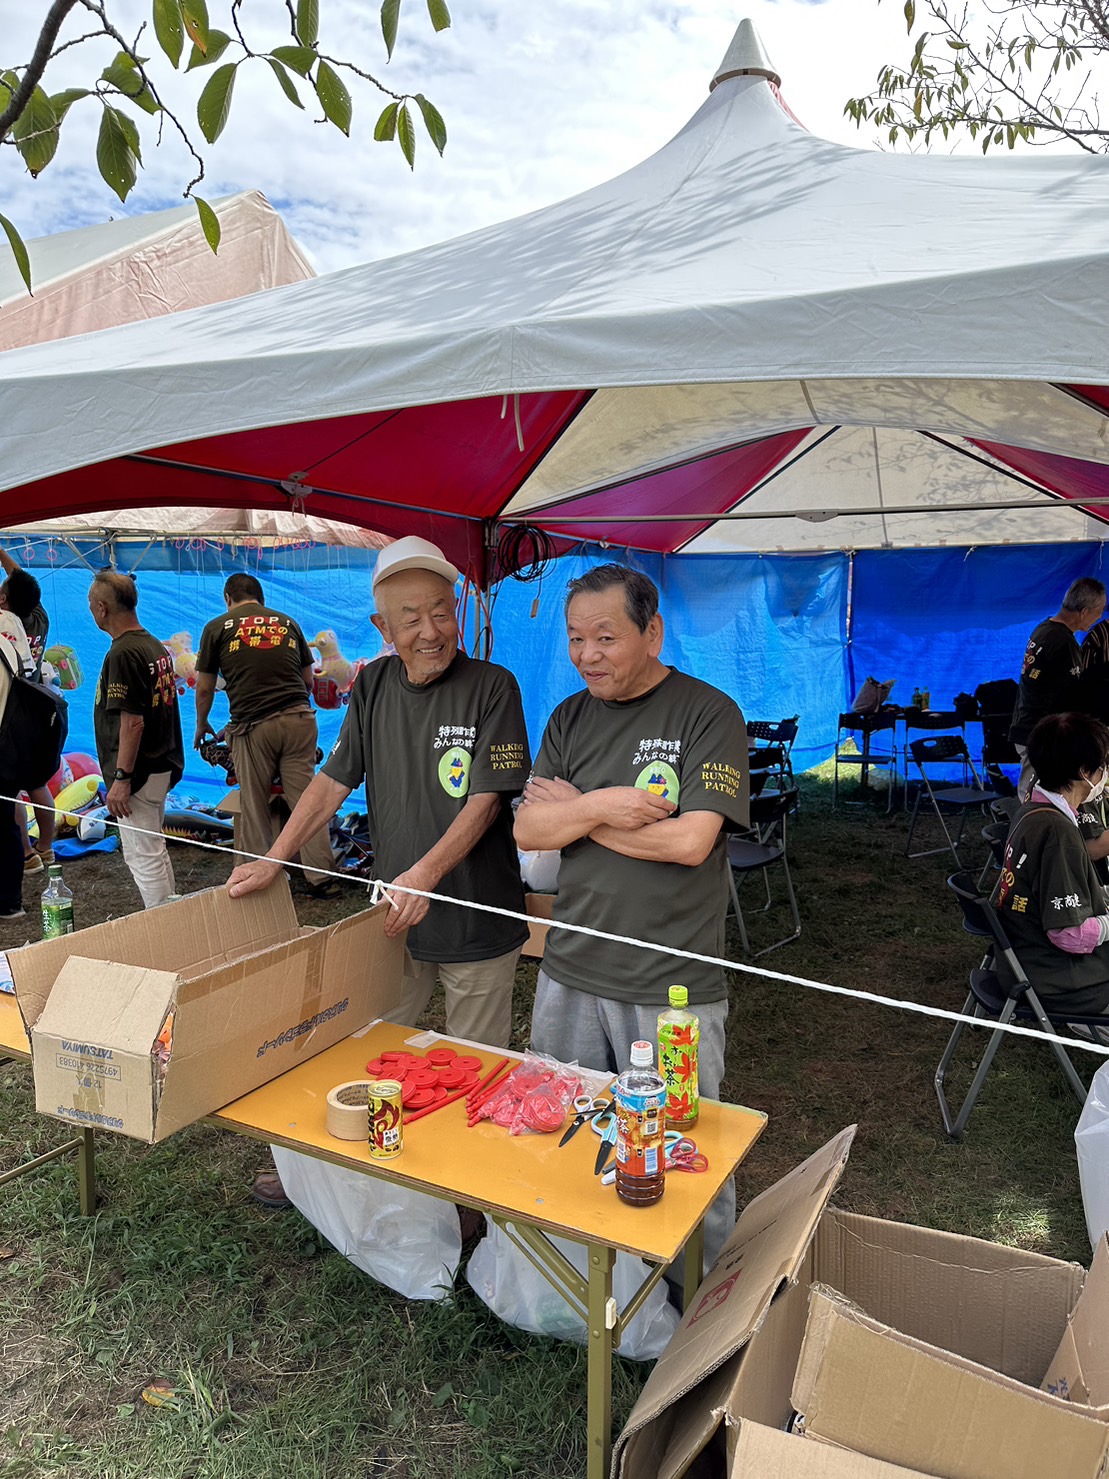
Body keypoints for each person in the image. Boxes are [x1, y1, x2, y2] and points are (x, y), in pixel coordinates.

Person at [227, 535, 531, 1208]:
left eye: (441, 612)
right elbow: (333, 780)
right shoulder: (371, 685)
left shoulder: (492, 687)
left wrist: (422, 872)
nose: (431, 631)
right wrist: (275, 858)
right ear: (382, 628)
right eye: (412, 617)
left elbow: (485, 800)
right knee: (367, 1050)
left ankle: (465, 1203)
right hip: (394, 920)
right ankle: (334, 1173)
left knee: (471, 1068)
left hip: (477, 917)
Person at [513, 563, 749, 1264]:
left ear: (652, 632)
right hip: (571, 967)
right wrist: (598, 805)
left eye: (606, 637)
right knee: (561, 1125)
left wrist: (576, 815)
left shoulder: (707, 713)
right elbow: (528, 831)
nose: (588, 654)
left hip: (672, 983)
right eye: (576, 638)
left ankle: (698, 1301)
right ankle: (575, 1283)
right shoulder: (568, 716)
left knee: (682, 1145)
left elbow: (689, 840)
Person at [194, 573, 336, 897]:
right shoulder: (288, 622)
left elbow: (204, 688)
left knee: (255, 805)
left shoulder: (217, 627)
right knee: (307, 801)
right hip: (300, 720)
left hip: (253, 726)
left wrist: (201, 724)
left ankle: (257, 878)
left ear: (228, 599)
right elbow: (308, 681)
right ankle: (322, 877)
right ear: (260, 598)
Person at [993, 711, 1109, 1037]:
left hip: (1024, 962)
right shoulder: (1057, 832)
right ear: (1084, 772)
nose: (1104, 775)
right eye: (1102, 767)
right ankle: (1085, 1024)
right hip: (1057, 980)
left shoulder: (1031, 810)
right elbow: (1069, 935)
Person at [89, 571, 184, 909]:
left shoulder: (124, 653)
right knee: (153, 850)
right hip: (159, 764)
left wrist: (121, 778)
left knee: (143, 856)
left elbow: (133, 723)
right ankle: (173, 915)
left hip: (139, 772)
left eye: (90, 605)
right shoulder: (152, 644)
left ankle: (166, 929)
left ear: (102, 608)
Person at [1009, 577, 1106, 800]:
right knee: (1035, 796)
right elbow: (1074, 694)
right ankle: (1030, 833)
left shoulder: (1043, 629)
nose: (1099, 617)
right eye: (1098, 611)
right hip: (1041, 733)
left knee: (1033, 792)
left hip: (1027, 726)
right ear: (1084, 611)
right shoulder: (1064, 642)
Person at [0, 549, 55, 871]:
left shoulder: (3, 627)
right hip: (33, 712)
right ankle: (46, 847)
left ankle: (25, 854)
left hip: (6, 715)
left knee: (8, 789)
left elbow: (18, 583)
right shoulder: (38, 617)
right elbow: (22, 582)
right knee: (36, 782)